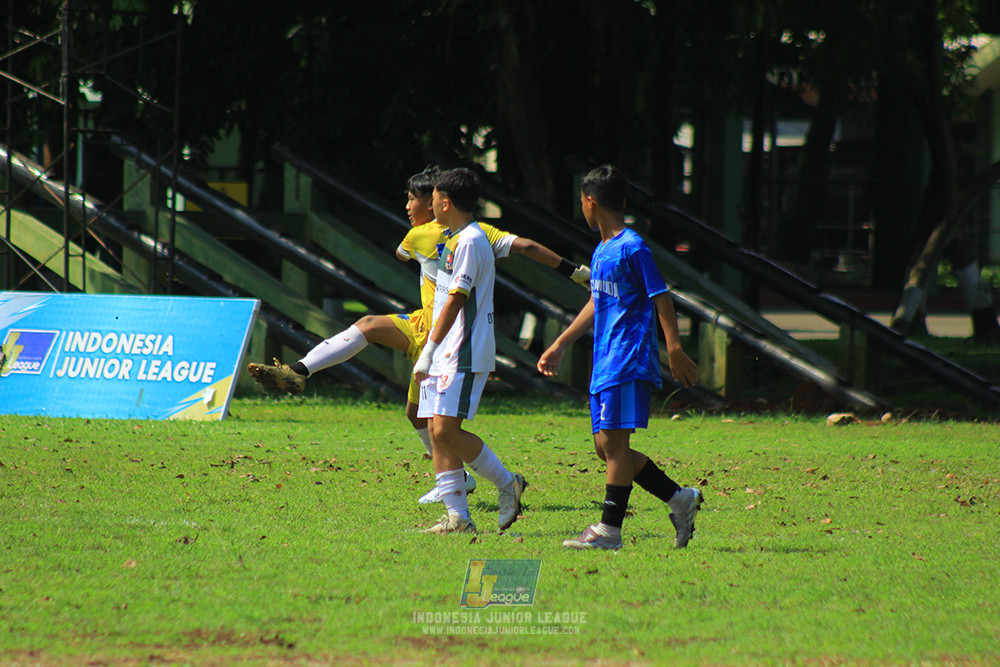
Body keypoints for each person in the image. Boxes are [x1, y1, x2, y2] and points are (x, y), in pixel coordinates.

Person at [248, 165, 586, 504]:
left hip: (439, 335)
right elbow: (527, 247)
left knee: (434, 421)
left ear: (437, 201)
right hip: (428, 325)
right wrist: (574, 272)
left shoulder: (421, 236)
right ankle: (299, 370)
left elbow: (402, 255)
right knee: (380, 346)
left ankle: (467, 484)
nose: (407, 207)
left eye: (413, 199)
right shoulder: (479, 232)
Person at [537, 164, 702, 551]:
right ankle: (680, 499)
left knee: (613, 445)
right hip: (605, 360)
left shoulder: (632, 247)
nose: (582, 207)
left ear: (590, 202)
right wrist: (561, 342)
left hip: (628, 359)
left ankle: (610, 530)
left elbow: (660, 295)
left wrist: (674, 348)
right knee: (607, 448)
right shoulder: (601, 251)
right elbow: (598, 300)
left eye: (581, 201)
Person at [412, 167, 525, 534]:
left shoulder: (472, 242)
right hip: (445, 349)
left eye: (432, 199)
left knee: (445, 430)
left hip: (461, 350)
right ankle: (458, 518)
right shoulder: (453, 237)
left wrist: (428, 349)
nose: (429, 204)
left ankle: (508, 483)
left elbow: (456, 301)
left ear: (445, 202)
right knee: (435, 429)